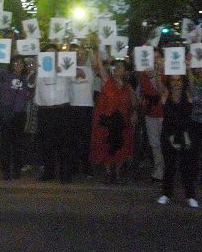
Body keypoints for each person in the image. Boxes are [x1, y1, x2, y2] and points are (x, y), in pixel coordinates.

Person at [90, 56, 136, 184]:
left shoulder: (128, 87)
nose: (116, 68)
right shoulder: (107, 81)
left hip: (122, 121)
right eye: (116, 66)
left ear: (126, 72)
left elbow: (134, 104)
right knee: (106, 145)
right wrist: (98, 49)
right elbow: (99, 66)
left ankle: (117, 173)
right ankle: (109, 173)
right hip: (108, 120)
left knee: (123, 146)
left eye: (120, 67)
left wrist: (134, 113)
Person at [31, 44, 73, 182]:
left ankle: (65, 173)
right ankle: (48, 172)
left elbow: (76, 74)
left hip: (62, 110)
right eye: (47, 53)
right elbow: (30, 84)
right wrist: (36, 69)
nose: (51, 56)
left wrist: (59, 68)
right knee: (46, 144)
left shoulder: (66, 67)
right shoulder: (40, 69)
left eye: (54, 53)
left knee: (64, 144)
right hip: (45, 111)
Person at [156, 75, 199, 208]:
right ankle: (166, 194)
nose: (176, 83)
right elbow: (158, 83)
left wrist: (189, 69)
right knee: (169, 165)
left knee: (186, 166)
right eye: (173, 80)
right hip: (168, 134)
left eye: (179, 80)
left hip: (185, 134)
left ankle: (190, 196)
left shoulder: (188, 94)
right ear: (169, 82)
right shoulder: (165, 95)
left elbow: (192, 83)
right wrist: (158, 70)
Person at [0, 55, 33, 180]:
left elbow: (31, 92)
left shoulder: (27, 77)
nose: (18, 65)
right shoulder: (5, 73)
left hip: (20, 114)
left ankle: (16, 169)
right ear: (11, 64)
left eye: (20, 63)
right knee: (5, 143)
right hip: (6, 113)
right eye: (15, 63)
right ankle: (6, 170)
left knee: (17, 143)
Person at [139, 49, 165, 182]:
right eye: (153, 58)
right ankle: (159, 169)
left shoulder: (166, 73)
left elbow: (161, 92)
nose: (155, 60)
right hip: (150, 113)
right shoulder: (144, 74)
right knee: (154, 143)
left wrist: (157, 77)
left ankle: (166, 168)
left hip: (163, 112)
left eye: (157, 57)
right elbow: (146, 92)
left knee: (164, 141)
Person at [70, 44, 95, 178]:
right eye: (77, 54)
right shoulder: (68, 68)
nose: (80, 57)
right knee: (73, 138)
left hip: (86, 107)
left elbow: (97, 64)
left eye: (82, 54)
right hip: (72, 106)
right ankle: (73, 166)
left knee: (86, 139)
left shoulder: (90, 69)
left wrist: (91, 48)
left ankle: (86, 166)